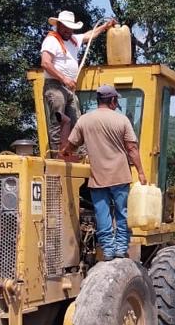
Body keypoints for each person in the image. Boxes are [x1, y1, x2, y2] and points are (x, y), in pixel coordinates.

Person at [62, 84, 147, 260]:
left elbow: (72, 145)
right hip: (120, 175)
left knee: (102, 214)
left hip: (98, 177)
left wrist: (63, 152)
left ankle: (108, 250)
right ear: (113, 100)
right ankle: (121, 248)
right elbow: (131, 148)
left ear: (98, 100)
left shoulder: (85, 120)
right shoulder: (122, 120)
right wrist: (140, 172)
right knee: (122, 213)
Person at [41, 11, 116, 152]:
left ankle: (81, 153)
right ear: (59, 26)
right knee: (58, 120)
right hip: (55, 86)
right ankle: (57, 154)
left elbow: (89, 35)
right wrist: (63, 78)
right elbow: (45, 63)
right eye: (66, 27)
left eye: (71, 28)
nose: (69, 31)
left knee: (77, 121)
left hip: (69, 88)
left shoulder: (73, 40)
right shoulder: (51, 41)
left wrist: (104, 27)